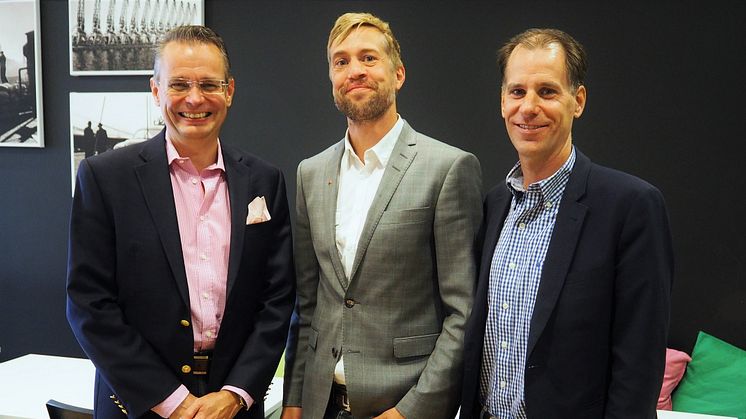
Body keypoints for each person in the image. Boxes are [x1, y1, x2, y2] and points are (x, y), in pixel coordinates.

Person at [67, 25, 295, 419]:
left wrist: (236, 393)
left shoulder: (264, 180)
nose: (194, 98)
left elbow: (277, 300)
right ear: (156, 90)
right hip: (139, 406)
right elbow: (89, 304)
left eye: (209, 84)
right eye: (179, 84)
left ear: (229, 91)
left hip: (234, 406)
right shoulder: (105, 178)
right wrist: (173, 402)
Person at [460, 28, 674, 418]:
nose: (528, 107)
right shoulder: (494, 205)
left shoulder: (630, 206)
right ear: (502, 101)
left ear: (578, 101)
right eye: (518, 91)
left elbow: (639, 362)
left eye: (547, 91)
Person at [282, 12, 483, 419]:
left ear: (399, 74)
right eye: (341, 61)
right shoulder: (311, 172)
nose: (355, 70)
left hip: (403, 405)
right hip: (321, 405)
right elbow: (309, 304)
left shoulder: (447, 168)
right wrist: (294, 401)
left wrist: (411, 411)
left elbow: (463, 315)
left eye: (369, 58)